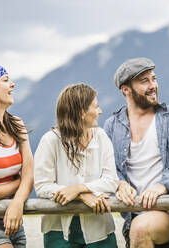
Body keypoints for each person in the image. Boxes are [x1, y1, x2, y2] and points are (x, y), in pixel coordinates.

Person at [103, 57, 169, 248]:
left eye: (154, 79)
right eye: (144, 81)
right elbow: (107, 166)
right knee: (138, 228)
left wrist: (162, 186)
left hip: (167, 210)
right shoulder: (111, 126)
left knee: (140, 229)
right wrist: (120, 183)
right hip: (133, 213)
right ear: (126, 89)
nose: (152, 85)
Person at [34, 83, 119, 247]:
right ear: (81, 112)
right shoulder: (50, 140)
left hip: (100, 229)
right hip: (58, 231)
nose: (100, 111)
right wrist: (81, 195)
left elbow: (111, 181)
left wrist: (78, 188)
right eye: (96, 106)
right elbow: (42, 185)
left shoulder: (101, 137)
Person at [0, 63, 34, 248]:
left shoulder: (16, 124)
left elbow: (31, 173)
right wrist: (19, 182)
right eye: (5, 80)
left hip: (14, 218)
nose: (12, 84)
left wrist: (17, 203)